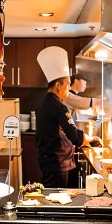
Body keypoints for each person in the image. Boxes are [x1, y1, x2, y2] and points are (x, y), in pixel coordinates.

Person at [35, 46, 99, 188]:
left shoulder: (42, 104)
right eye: (68, 83)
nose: (69, 87)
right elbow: (75, 137)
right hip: (58, 164)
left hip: (47, 162)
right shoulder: (59, 107)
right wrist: (92, 138)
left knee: (51, 195)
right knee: (58, 198)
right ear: (58, 85)